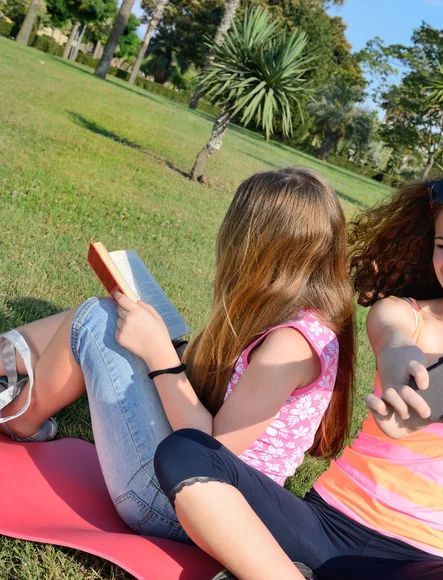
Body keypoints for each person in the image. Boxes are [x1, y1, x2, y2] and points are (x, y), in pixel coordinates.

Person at [153, 165, 443, 580]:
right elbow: (397, 347)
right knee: (187, 451)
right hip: (321, 525)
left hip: (412, 564)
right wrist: (405, 378)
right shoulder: (399, 313)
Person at [0, 168, 355, 543]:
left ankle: (18, 419)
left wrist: (159, 354)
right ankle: (5, 362)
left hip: (178, 505)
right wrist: (169, 348)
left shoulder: (290, 345)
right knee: (108, 313)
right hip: (198, 498)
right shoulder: (304, 318)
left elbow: (210, 449)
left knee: (97, 319)